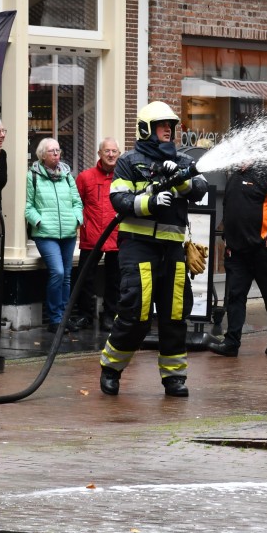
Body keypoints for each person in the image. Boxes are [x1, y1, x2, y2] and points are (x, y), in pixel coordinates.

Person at [98, 101, 208, 398]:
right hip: (138, 246)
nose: (168, 131)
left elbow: (200, 190)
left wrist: (181, 178)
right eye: (162, 126)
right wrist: (149, 203)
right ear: (146, 129)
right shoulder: (129, 161)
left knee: (174, 314)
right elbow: (118, 200)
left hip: (172, 249)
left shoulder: (182, 159)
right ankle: (111, 368)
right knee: (136, 312)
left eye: (170, 126)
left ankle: (174, 378)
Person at [208, 161, 267, 358]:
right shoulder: (234, 177)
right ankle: (231, 342)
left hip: (262, 249)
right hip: (236, 251)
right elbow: (229, 208)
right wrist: (226, 237)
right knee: (235, 297)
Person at [25, 138, 83, 332]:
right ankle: (55, 319)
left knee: (66, 276)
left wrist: (77, 219)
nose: (56, 154)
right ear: (42, 155)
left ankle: (64, 318)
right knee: (57, 272)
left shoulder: (67, 175)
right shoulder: (33, 176)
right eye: (52, 151)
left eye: (58, 150)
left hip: (68, 233)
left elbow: (77, 202)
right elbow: (29, 207)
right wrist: (39, 221)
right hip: (45, 234)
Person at [73, 137, 122, 329]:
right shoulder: (85, 177)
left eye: (114, 151)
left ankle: (109, 316)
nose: (110, 155)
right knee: (85, 278)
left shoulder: (123, 178)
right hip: (91, 235)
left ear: (119, 154)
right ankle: (85, 315)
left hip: (117, 236)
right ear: (99, 153)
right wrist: (80, 225)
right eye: (106, 151)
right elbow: (77, 204)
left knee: (114, 280)